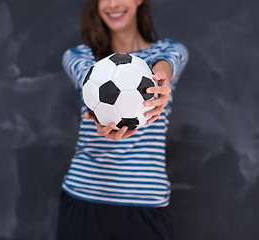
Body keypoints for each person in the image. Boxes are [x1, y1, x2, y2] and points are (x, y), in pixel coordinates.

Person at [57, 0, 188, 239]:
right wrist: (101, 121)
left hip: (147, 206)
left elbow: (165, 64)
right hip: (83, 200)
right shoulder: (79, 56)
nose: (113, 4)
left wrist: (160, 80)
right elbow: (87, 76)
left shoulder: (169, 51)